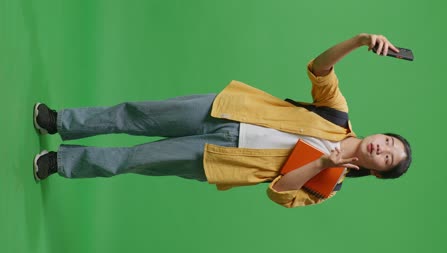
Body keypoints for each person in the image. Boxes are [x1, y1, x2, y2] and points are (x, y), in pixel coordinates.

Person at [33, 33, 412, 208]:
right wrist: (361, 41)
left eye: (387, 158)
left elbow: (278, 192)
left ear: (377, 172)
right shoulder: (336, 114)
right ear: (381, 135)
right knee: (136, 114)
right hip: (226, 109)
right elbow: (320, 68)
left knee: (134, 160)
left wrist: (321, 163)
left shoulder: (329, 186)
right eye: (389, 142)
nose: (382, 148)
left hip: (221, 158)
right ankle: (61, 121)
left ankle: (62, 162)